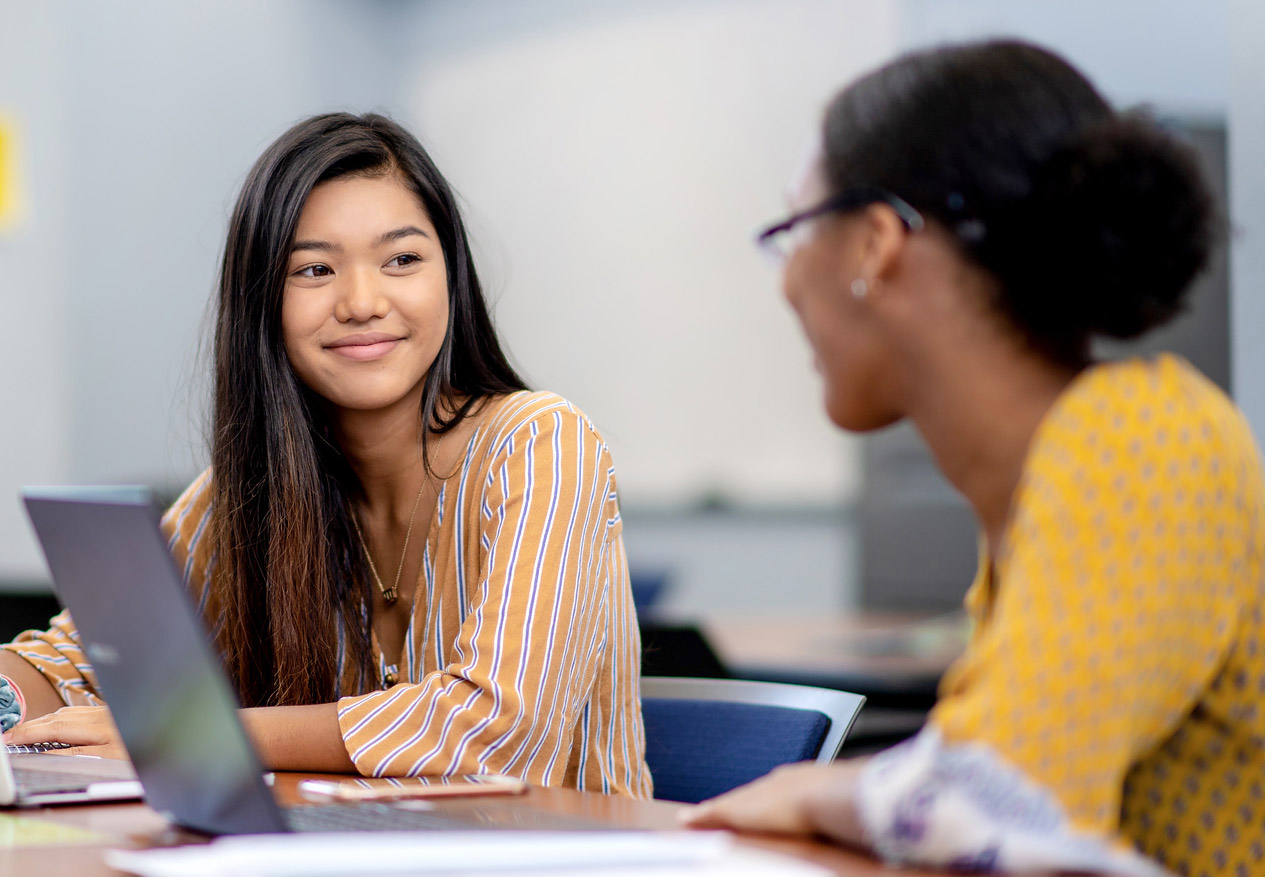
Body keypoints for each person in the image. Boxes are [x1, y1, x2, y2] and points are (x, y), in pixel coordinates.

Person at [682, 39, 1263, 875]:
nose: (784, 282)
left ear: (874, 243)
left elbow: (996, 796)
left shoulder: (1144, 432)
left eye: (793, 229)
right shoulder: (1047, 471)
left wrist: (815, 791)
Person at [0, 112, 652, 797]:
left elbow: (496, 731)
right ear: (263, 303)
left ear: (450, 278)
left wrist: (197, 733)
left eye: (401, 259)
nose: (363, 302)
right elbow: (75, 663)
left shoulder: (541, 443)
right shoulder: (251, 489)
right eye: (314, 269)